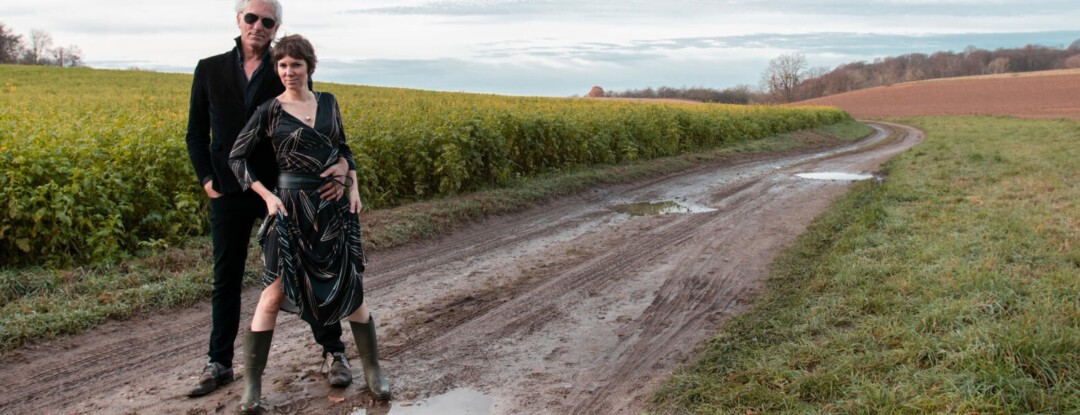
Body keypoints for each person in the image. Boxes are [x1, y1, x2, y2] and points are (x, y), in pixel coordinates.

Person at [183, 0, 356, 397]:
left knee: (305, 269)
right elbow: (195, 133)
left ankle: (333, 352)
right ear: (238, 20)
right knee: (225, 276)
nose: (258, 25)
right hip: (228, 189)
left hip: (280, 191)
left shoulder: (283, 67)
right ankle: (219, 362)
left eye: (267, 21)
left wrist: (341, 173)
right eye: (251, 18)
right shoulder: (209, 68)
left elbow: (323, 130)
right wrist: (207, 178)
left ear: (276, 28)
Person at [229, 34, 391, 412]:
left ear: (309, 67)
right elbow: (237, 158)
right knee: (271, 296)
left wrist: (352, 185)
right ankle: (252, 389)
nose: (289, 72)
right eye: (282, 65)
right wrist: (268, 197)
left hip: (332, 211)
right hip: (289, 210)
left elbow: (344, 151)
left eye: (296, 65)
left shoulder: (329, 103)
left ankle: (374, 375)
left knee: (351, 292)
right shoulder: (269, 110)